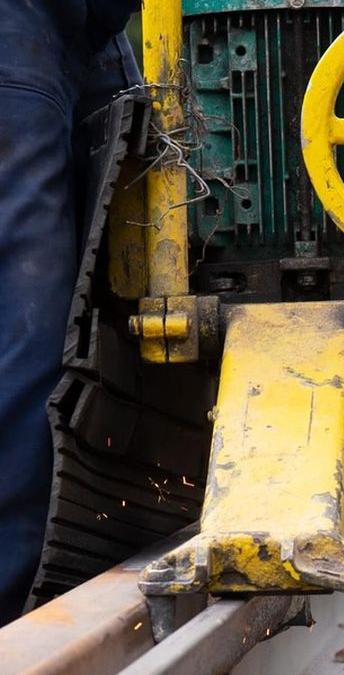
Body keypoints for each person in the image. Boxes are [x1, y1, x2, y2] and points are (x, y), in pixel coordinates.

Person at [0, 1, 142, 625]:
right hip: (26, 24)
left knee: (126, 298)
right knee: (30, 335)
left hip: (90, 26)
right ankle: (15, 621)